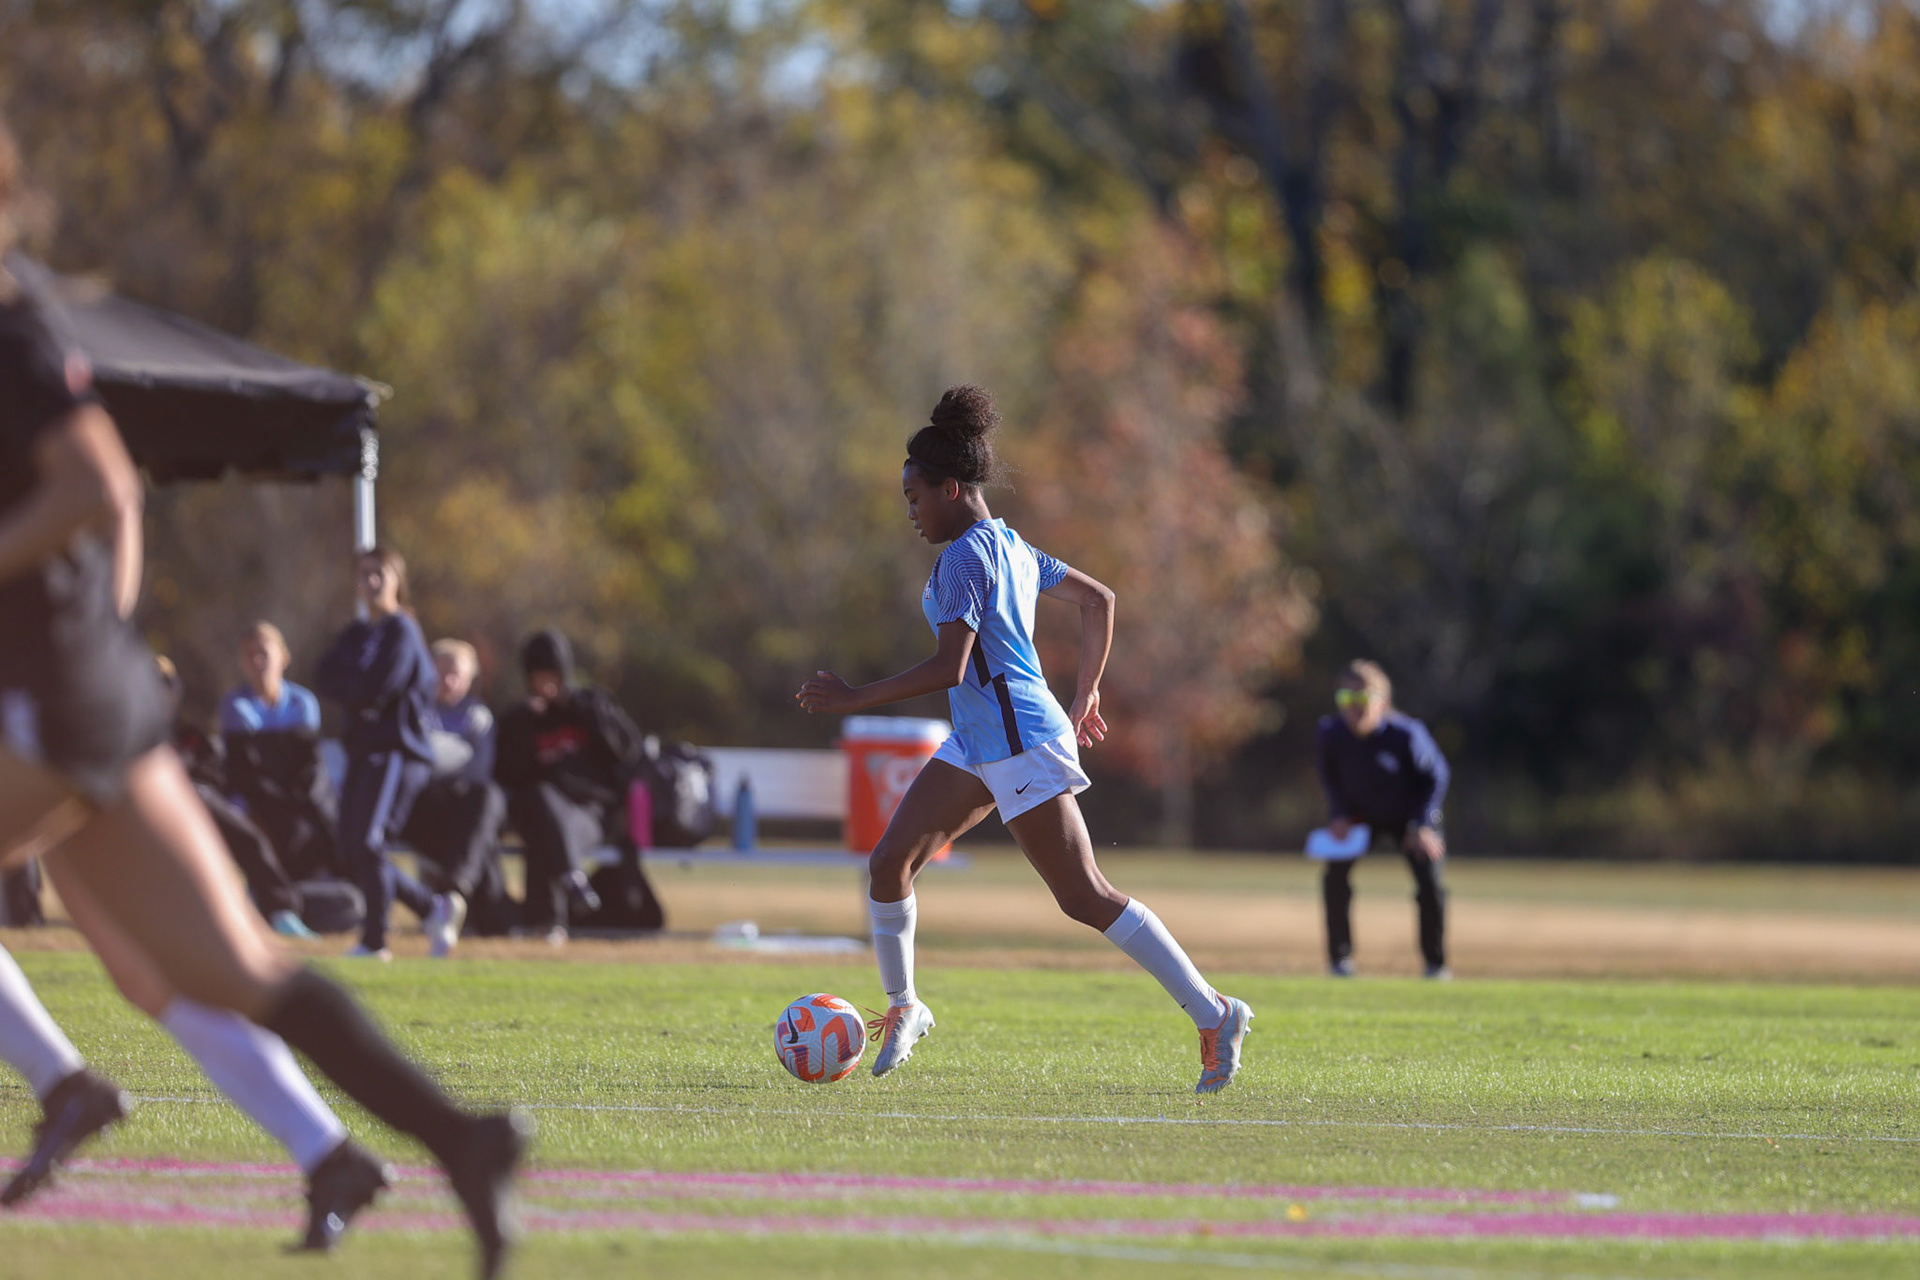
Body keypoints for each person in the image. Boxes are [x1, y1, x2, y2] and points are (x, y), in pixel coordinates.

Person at [0, 119, 525, 1277]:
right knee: (224, 969)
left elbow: (99, 480)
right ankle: (460, 1138)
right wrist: (106, 634)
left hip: (57, 699)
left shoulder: (8, 323)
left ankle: (69, 1086)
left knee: (201, 966)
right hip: (88, 693)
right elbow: (109, 501)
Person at [796, 385, 1253, 1093]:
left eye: (915, 497)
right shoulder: (1008, 546)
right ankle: (905, 1005)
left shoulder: (964, 560)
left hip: (1016, 743)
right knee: (889, 864)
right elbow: (1099, 601)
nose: (911, 513)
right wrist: (1086, 691)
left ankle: (1214, 1012)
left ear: (951, 487)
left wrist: (856, 697)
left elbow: (951, 665)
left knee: (1086, 897)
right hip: (981, 740)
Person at [314, 548, 466, 961]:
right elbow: (323, 675)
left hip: (399, 750)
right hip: (364, 750)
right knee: (350, 848)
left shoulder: (402, 631)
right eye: (364, 574)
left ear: (398, 580)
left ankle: (375, 940)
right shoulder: (356, 634)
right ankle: (431, 907)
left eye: (380, 573)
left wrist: (358, 691)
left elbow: (377, 686)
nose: (371, 582)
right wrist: (358, 690)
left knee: (369, 841)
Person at [158, 655, 315, 939]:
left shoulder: (189, 736)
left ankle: (279, 909)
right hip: (150, 811)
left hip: (197, 805)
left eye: (166, 684)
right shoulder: (128, 734)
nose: (161, 691)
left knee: (249, 839)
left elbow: (214, 776)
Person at [494, 631, 637, 944]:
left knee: (546, 833)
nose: (546, 685)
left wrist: (580, 708)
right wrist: (523, 725)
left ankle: (548, 923)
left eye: (552, 676)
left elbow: (626, 750)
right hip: (542, 813)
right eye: (539, 677)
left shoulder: (592, 704)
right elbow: (508, 775)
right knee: (542, 805)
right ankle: (571, 883)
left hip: (591, 814)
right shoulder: (520, 719)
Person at [1313, 659, 1452, 979]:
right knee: (1334, 878)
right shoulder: (1330, 734)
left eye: (1362, 699)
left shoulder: (1406, 734)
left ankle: (1436, 965)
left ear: (1383, 703)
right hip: (1361, 816)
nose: (1354, 708)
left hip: (1411, 817)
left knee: (1430, 881)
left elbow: (1436, 777)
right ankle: (1340, 962)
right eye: (1346, 699)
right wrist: (1339, 815)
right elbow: (1329, 777)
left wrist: (1423, 824)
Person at [405, 639, 511, 944]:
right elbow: (418, 768)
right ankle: (466, 900)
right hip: (423, 811)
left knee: (488, 799)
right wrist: (457, 753)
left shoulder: (479, 716)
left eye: (457, 675)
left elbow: (478, 773)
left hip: (463, 811)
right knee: (479, 837)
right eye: (442, 673)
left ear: (469, 679)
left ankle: (454, 893)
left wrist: (437, 754)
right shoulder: (415, 709)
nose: (448, 681)